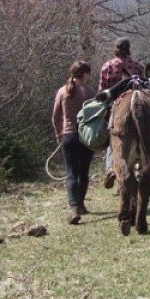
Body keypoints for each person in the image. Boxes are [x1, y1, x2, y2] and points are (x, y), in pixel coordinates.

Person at [52, 61, 96, 225]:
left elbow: (55, 116)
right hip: (86, 137)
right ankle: (81, 204)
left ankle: (74, 208)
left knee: (71, 172)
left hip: (68, 135)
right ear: (84, 74)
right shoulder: (90, 92)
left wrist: (58, 133)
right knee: (83, 172)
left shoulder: (62, 91)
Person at [98, 38, 144, 188]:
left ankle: (111, 167)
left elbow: (102, 91)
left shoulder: (107, 66)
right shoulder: (137, 66)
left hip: (114, 106)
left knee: (113, 137)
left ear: (115, 49)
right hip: (136, 104)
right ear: (129, 49)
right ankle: (139, 166)